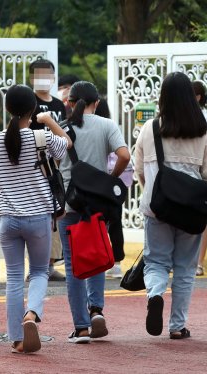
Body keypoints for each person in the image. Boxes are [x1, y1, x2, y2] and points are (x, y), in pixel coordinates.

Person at [135, 72, 207, 339]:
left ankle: (156, 293)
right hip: (191, 211)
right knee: (184, 268)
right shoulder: (202, 131)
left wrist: (155, 193)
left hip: (157, 207)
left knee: (156, 262)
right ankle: (177, 326)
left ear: (163, 97)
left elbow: (139, 171)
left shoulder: (150, 128)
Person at [0, 85, 71, 353]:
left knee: (13, 278)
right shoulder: (41, 137)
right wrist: (49, 122)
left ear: (7, 109)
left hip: (7, 219)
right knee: (38, 272)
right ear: (32, 109)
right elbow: (67, 145)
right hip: (37, 217)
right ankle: (31, 314)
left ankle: (17, 339)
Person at [58, 81, 130, 344]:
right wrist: (110, 178)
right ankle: (96, 309)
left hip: (69, 204)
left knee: (72, 264)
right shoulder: (107, 125)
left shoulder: (62, 128)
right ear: (96, 103)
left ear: (70, 102)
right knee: (97, 254)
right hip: (97, 203)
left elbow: (51, 166)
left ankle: (81, 327)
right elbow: (124, 155)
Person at [29, 59, 67, 281]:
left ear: (53, 77)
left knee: (54, 215)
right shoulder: (30, 101)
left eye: (47, 74)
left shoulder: (59, 105)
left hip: (54, 167)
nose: (43, 78)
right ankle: (35, 266)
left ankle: (49, 265)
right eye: (38, 74)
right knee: (35, 215)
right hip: (33, 165)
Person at [95, 98, 133, 279]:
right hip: (118, 184)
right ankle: (117, 262)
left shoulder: (95, 128)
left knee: (97, 222)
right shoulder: (112, 127)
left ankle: (101, 259)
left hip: (101, 182)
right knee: (115, 222)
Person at [192, 81, 207, 276]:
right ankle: (195, 262)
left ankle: (199, 262)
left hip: (200, 176)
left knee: (201, 221)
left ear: (198, 97)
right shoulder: (197, 117)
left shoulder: (204, 119)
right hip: (199, 175)